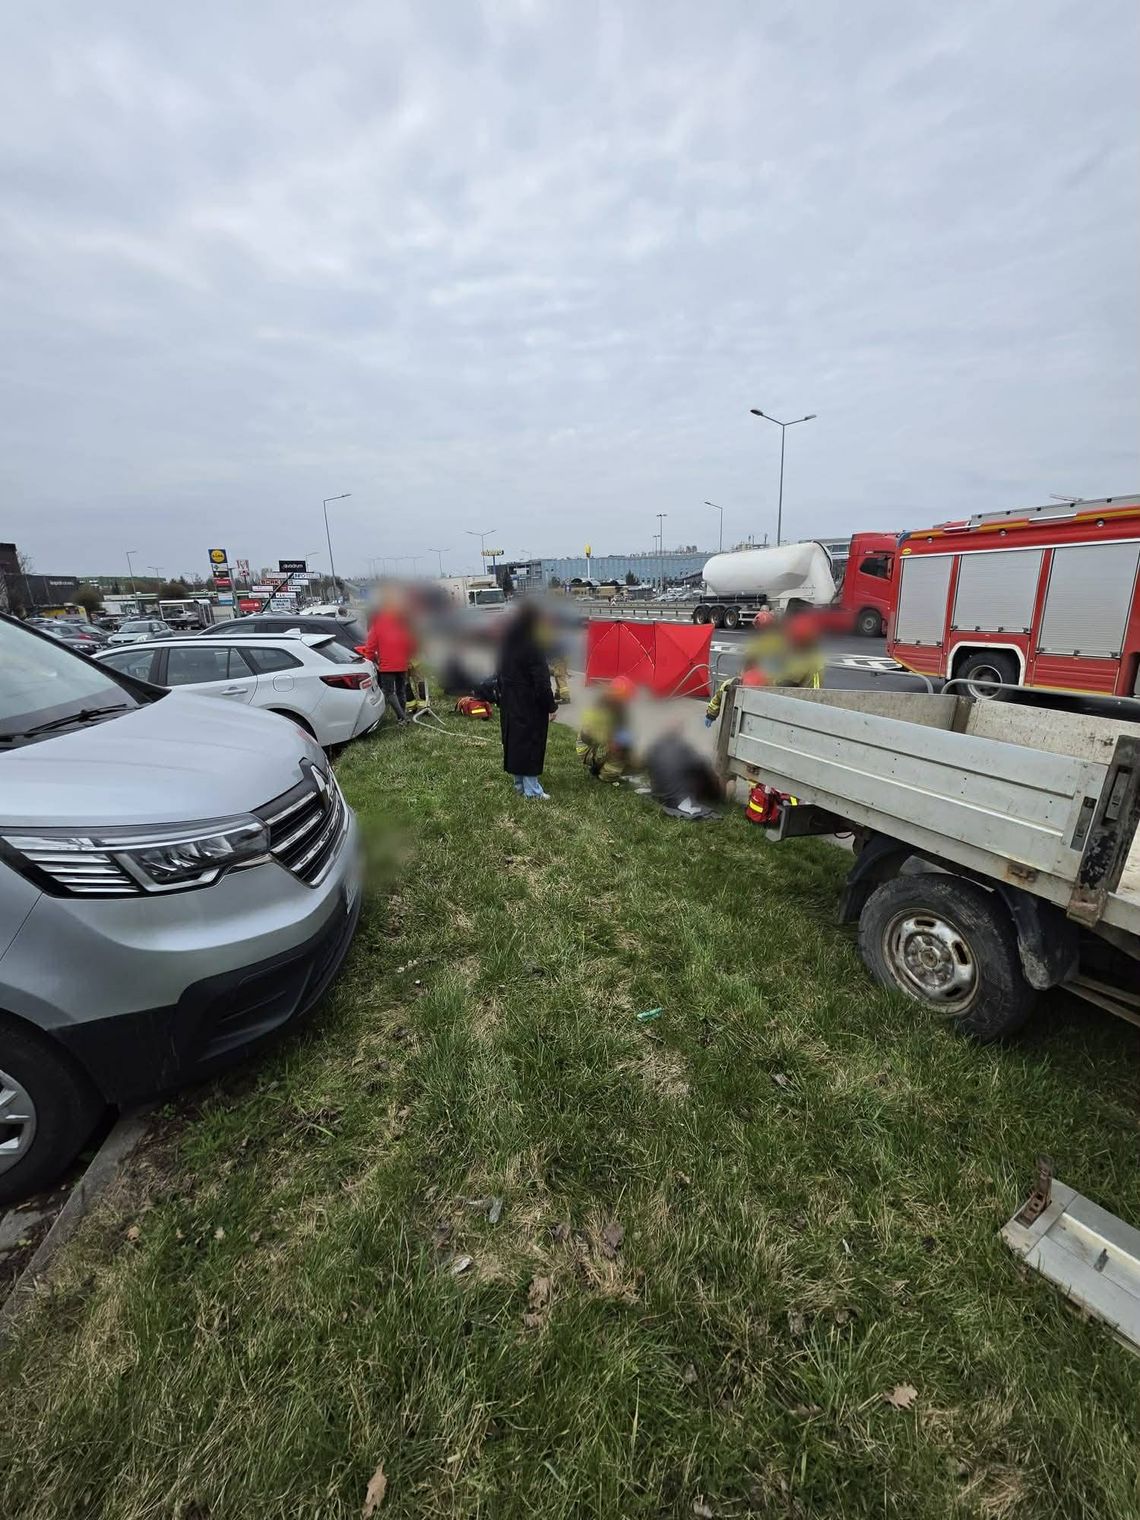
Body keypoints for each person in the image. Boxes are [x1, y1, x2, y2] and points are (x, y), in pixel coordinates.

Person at [496, 602, 558, 798]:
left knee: (515, 742)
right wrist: (550, 706)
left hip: (510, 700)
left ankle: (519, 785)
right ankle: (532, 790)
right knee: (531, 743)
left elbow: (499, 671)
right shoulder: (534, 644)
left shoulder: (507, 641)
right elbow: (541, 681)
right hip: (529, 703)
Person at [361, 590, 416, 724]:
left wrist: (368, 661)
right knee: (401, 691)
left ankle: (402, 717)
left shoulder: (378, 625)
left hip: (387, 666)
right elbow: (410, 643)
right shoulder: (400, 624)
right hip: (401, 663)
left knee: (389, 692)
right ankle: (401, 718)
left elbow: (371, 646)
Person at [576, 676, 635, 781]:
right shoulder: (599, 708)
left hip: (602, 744)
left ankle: (602, 766)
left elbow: (624, 728)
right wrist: (612, 742)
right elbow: (588, 735)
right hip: (589, 747)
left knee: (630, 752)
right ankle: (605, 774)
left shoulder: (620, 708)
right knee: (619, 753)